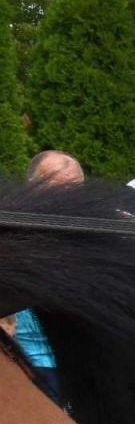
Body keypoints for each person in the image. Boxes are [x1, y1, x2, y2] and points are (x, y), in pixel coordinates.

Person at [2, 151, 86, 405]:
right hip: (27, 360)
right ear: (32, 186)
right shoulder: (12, 229)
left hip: (82, 359)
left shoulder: (96, 232)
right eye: (58, 189)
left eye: (75, 190)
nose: (67, 199)